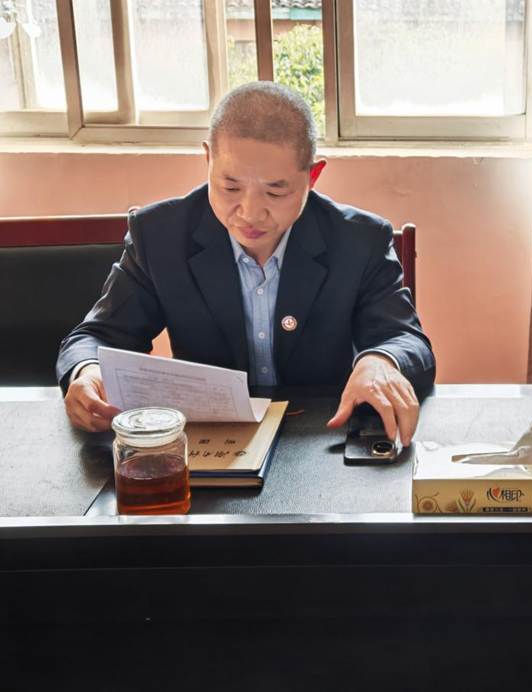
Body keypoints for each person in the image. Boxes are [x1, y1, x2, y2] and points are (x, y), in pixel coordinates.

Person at [58, 81, 435, 444]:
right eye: (230, 187)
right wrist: (87, 371)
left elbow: (405, 339)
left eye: (275, 191)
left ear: (313, 176)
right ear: (208, 160)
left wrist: (381, 361)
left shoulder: (359, 240)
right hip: (206, 443)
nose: (250, 212)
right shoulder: (159, 236)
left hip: (322, 438)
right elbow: (96, 337)